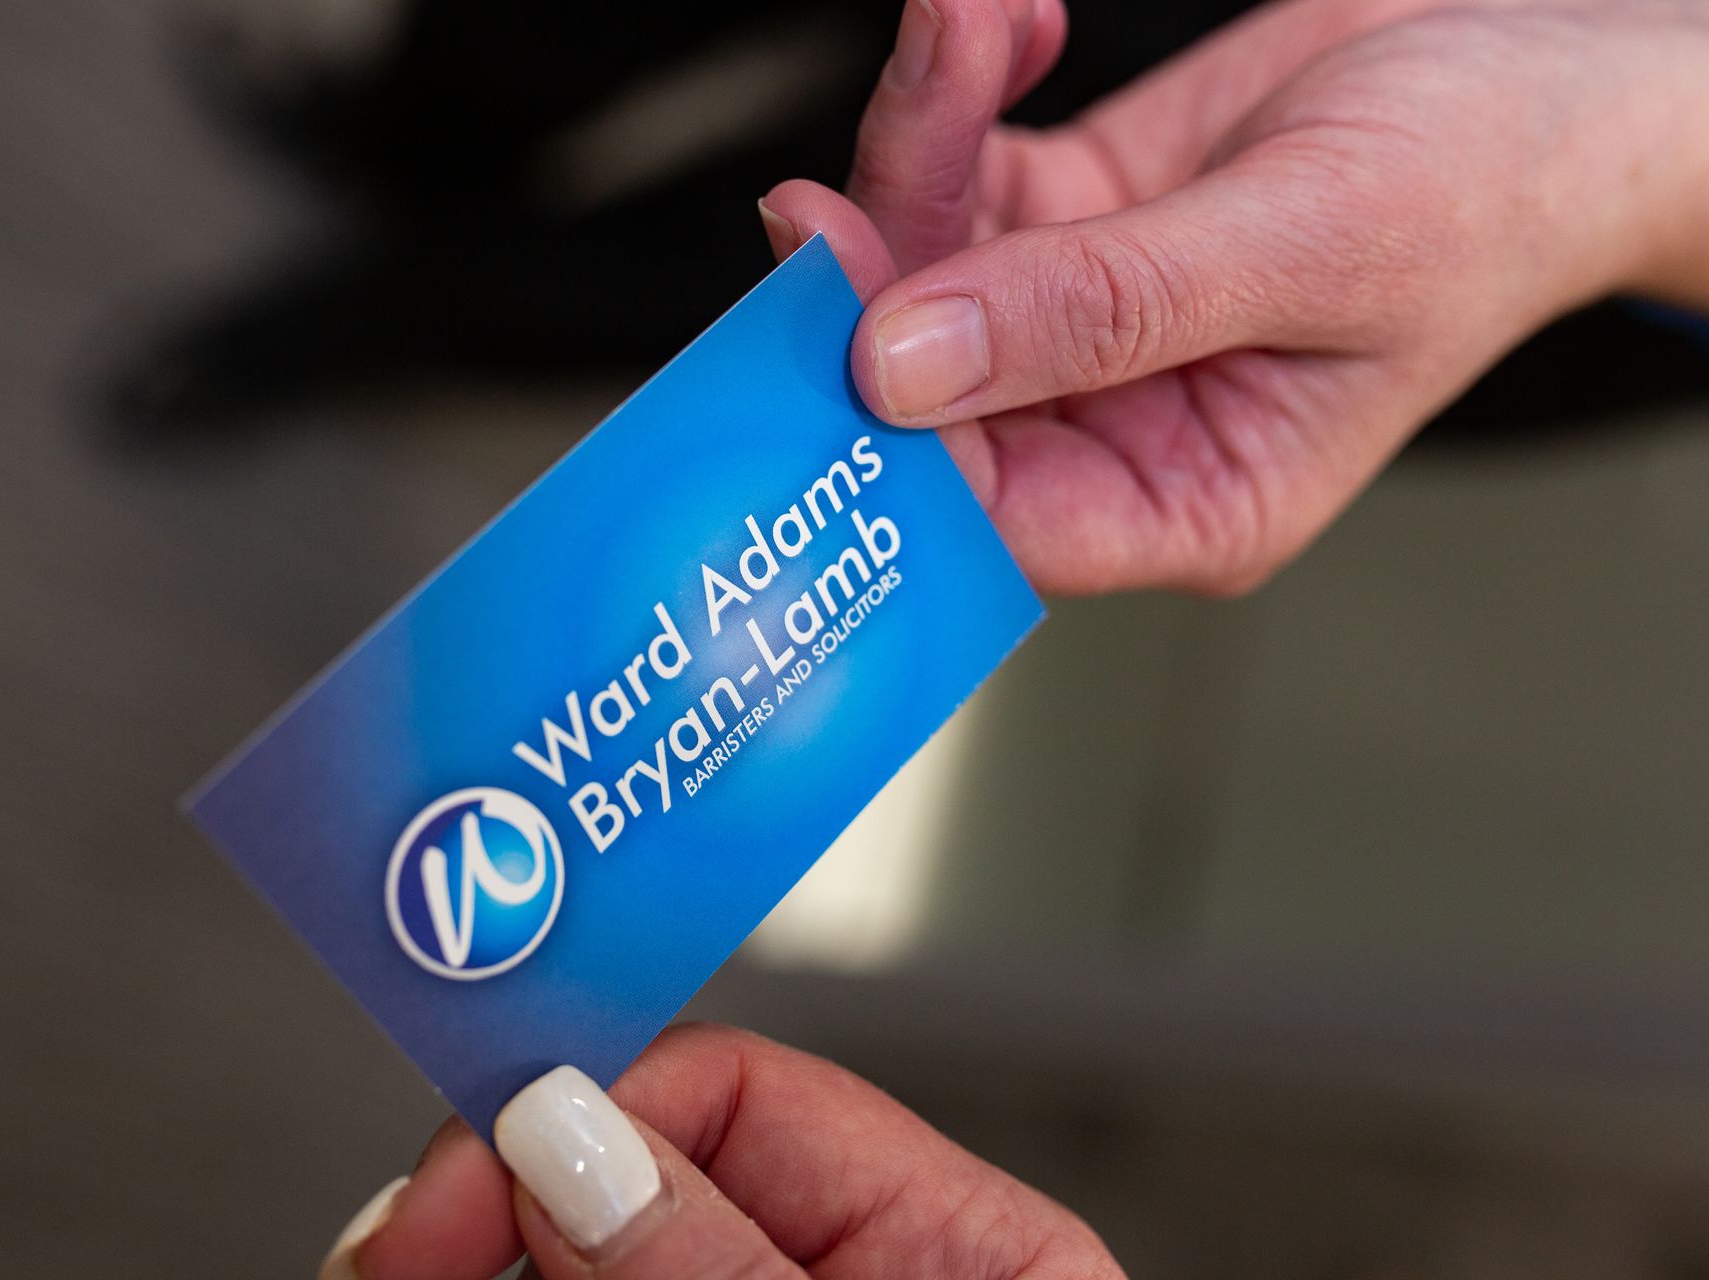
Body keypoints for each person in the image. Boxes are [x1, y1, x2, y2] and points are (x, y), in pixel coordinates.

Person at [323, 0, 1709, 1274]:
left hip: (1503, 148)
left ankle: (393, 305)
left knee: (800, 267)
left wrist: (1602, 145)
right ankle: (397, 158)